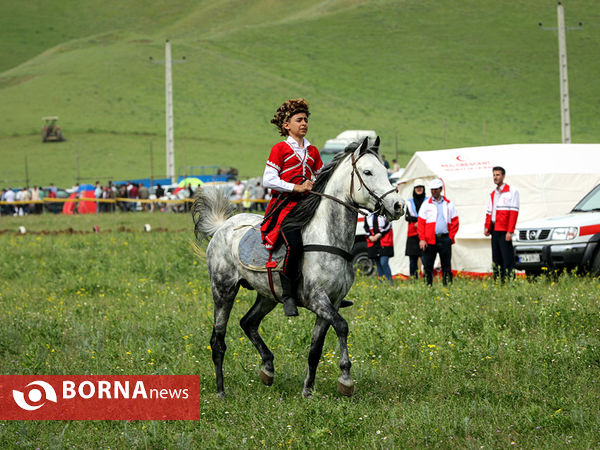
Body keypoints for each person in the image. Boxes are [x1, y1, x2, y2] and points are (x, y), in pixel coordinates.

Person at [261, 98, 323, 316]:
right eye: (299, 120)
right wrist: (296, 187)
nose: (304, 123)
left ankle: (328, 289)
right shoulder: (280, 148)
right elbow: (268, 180)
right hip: (285, 207)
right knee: (295, 244)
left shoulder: (313, 151)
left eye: (306, 119)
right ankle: (288, 295)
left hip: (309, 206)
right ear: (287, 125)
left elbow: (320, 177)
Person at [418, 179, 459, 286]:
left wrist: (451, 237)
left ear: (440, 190)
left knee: (446, 265)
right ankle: (428, 286)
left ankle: (447, 286)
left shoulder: (449, 204)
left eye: (436, 190)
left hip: (445, 238)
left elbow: (455, 221)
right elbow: (421, 223)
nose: (434, 192)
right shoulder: (426, 204)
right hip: (429, 239)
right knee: (428, 265)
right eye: (432, 190)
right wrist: (422, 239)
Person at [484, 166, 520, 282]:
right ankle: (498, 281)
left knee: (507, 257)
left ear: (503, 176)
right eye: (494, 175)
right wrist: (487, 227)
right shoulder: (493, 193)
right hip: (494, 228)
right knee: (496, 257)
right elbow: (489, 212)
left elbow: (514, 213)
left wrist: (510, 231)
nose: (495, 177)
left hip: (504, 229)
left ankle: (509, 281)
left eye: (498, 175)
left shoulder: (511, 191)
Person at [405, 179, 427, 279]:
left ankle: (427, 279)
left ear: (423, 189)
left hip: (425, 234)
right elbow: (407, 217)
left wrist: (419, 223)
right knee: (412, 260)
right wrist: (418, 221)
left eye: (420, 187)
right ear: (414, 189)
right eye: (417, 187)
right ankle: (414, 280)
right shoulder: (409, 202)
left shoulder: (428, 201)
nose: (419, 189)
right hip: (412, 235)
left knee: (425, 259)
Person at [364, 212, 395, 283]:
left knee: (384, 262)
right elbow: (366, 227)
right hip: (373, 242)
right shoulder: (368, 215)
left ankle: (390, 282)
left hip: (384, 240)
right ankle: (381, 282)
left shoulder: (384, 213)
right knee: (378, 263)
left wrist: (380, 234)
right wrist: (370, 236)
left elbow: (389, 224)